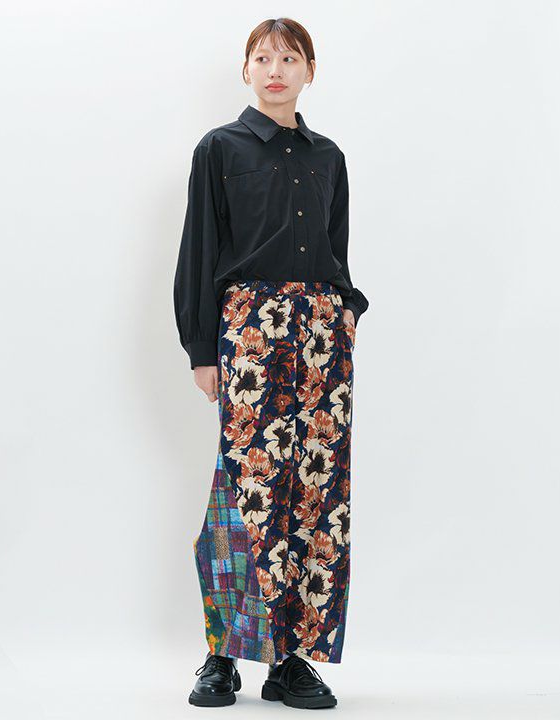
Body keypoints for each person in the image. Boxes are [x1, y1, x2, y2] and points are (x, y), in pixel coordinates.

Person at [173, 17, 369, 710]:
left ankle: (291, 659)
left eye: (289, 58)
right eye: (263, 58)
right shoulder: (219, 148)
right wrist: (203, 349)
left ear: (310, 70)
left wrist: (346, 309)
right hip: (251, 330)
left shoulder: (328, 157)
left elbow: (337, 246)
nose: (276, 69)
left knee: (316, 493)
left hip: (323, 335)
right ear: (246, 70)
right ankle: (223, 655)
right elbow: (199, 249)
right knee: (245, 488)